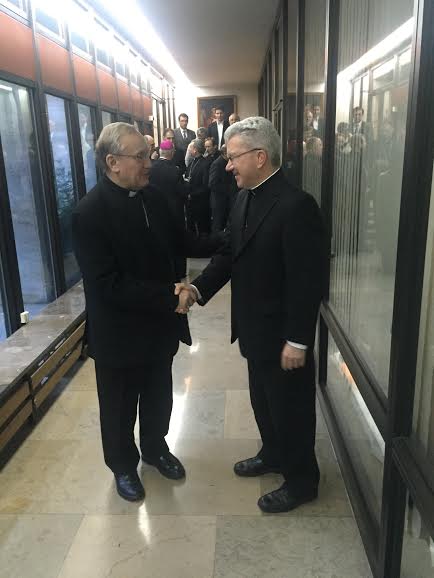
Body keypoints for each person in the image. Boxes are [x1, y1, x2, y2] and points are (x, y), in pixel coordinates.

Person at [178, 117, 326, 513]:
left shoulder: (297, 206)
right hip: (254, 330)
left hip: (283, 336)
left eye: (233, 157)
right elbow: (230, 253)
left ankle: (302, 482)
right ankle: (273, 454)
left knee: (292, 411)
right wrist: (197, 288)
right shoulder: (244, 198)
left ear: (260, 157)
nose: (228, 166)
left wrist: (298, 340)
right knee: (264, 402)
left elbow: (307, 281)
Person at [72, 123, 219, 503]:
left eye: (148, 155)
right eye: (140, 156)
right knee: (119, 406)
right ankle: (123, 466)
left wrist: (231, 236)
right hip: (118, 331)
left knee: (158, 395)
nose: (149, 163)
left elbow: (183, 241)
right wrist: (169, 295)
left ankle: (155, 449)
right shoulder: (89, 213)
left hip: (158, 324)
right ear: (112, 162)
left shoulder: (154, 197)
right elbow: (107, 284)